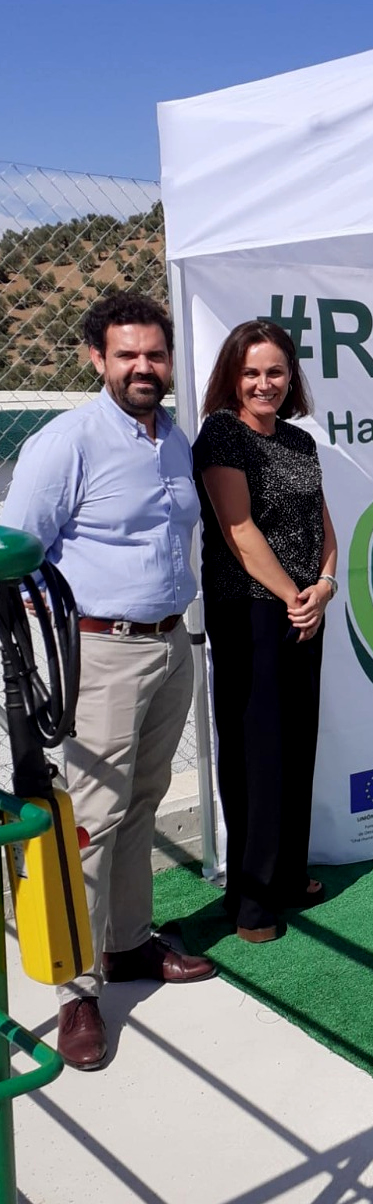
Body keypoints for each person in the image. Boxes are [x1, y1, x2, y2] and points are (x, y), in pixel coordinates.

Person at [2, 293, 215, 1072]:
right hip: (101, 655)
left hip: (170, 645)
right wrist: (49, 653)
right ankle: (77, 992)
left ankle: (128, 946)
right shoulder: (68, 444)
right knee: (89, 822)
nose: (143, 368)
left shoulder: (175, 441)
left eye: (154, 355)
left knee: (143, 803)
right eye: (127, 355)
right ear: (97, 359)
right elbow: (19, 556)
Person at [193, 320, 337, 943]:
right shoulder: (221, 435)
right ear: (231, 375)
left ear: (290, 377)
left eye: (274, 371)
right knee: (257, 751)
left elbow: (325, 525)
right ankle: (250, 901)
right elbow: (239, 532)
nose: (263, 383)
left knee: (297, 742)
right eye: (251, 372)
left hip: (306, 610)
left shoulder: (302, 442)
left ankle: (285, 874)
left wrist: (324, 586)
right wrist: (292, 598)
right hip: (251, 612)